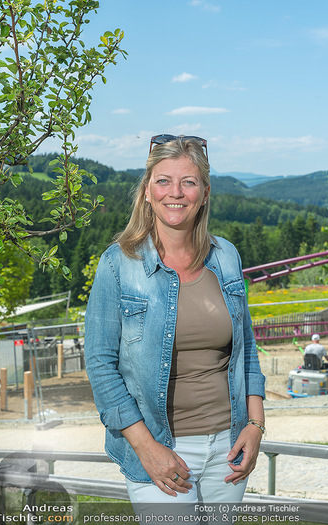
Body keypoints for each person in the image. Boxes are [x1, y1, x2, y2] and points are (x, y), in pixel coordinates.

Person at [85, 135, 265, 512]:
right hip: (159, 448)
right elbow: (101, 364)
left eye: (189, 181)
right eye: (163, 180)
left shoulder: (226, 256)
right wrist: (146, 448)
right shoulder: (118, 264)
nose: (176, 192)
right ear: (147, 191)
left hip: (229, 449)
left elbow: (246, 348)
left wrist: (255, 425)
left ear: (204, 192)